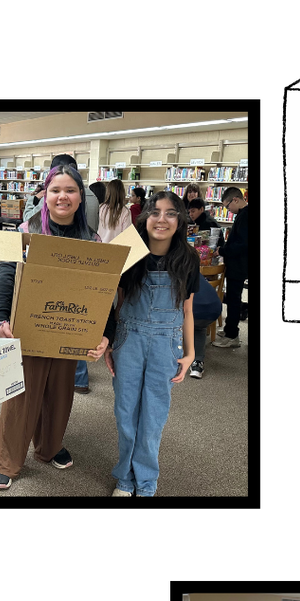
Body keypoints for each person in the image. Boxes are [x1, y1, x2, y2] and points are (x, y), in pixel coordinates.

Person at [0, 164, 110, 489]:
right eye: (56, 190)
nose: (63, 197)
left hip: (70, 328)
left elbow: (105, 289)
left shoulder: (92, 238)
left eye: (71, 190)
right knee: (21, 397)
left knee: (59, 394)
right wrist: (1, 318)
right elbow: (6, 275)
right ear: (45, 193)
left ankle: (48, 446)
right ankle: (6, 459)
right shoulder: (25, 230)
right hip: (29, 329)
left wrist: (104, 333)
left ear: (80, 197)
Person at [104, 191, 196, 497]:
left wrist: (191, 353)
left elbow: (187, 310)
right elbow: (115, 302)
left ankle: (145, 483)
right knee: (125, 411)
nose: (162, 219)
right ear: (145, 217)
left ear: (180, 219)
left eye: (171, 213)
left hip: (166, 344)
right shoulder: (128, 252)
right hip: (129, 338)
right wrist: (110, 342)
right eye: (155, 212)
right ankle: (124, 479)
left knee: (154, 415)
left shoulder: (188, 258)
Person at [211, 186, 249, 347]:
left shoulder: (246, 216)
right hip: (236, 264)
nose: (228, 210)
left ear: (236, 199)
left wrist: (223, 250)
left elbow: (242, 244)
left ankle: (232, 336)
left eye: (227, 206)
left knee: (234, 300)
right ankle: (228, 330)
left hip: (239, 266)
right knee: (233, 298)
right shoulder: (243, 214)